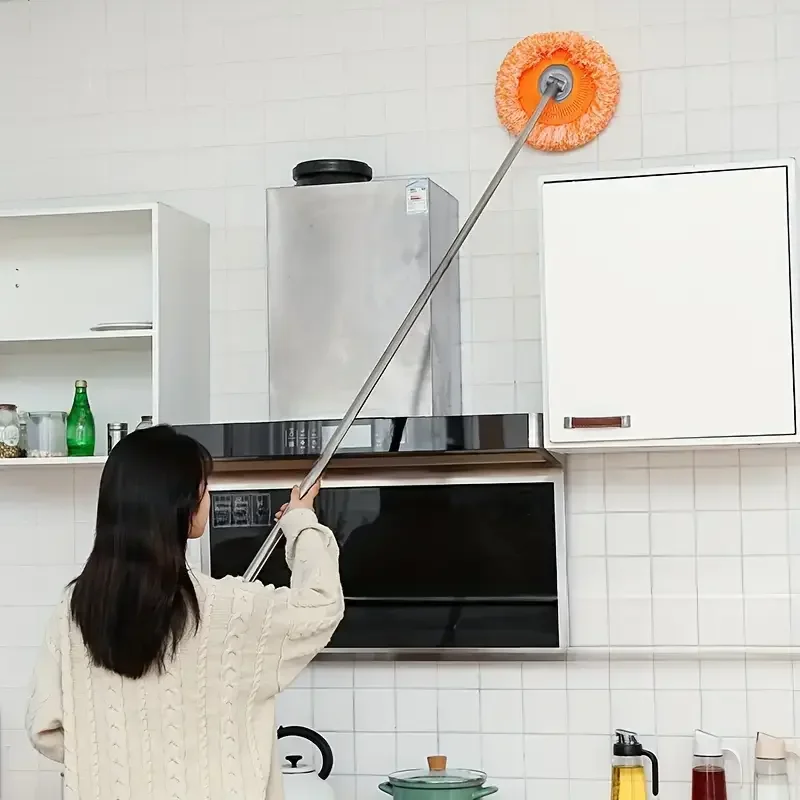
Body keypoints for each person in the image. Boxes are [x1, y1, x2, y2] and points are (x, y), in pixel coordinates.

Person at [25, 424, 344, 800]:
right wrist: (301, 520)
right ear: (183, 506)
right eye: (204, 488)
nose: (207, 497)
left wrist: (114, 763)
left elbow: (44, 728)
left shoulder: (74, 610)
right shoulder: (231, 610)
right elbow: (322, 604)